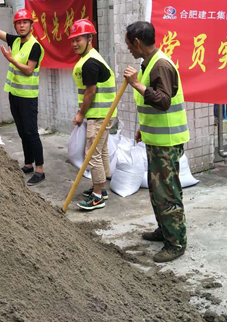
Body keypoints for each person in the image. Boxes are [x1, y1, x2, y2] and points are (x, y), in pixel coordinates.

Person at [123, 21, 189, 263]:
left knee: (167, 192)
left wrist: (137, 84)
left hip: (166, 142)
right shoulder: (149, 63)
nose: (128, 48)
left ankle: (176, 242)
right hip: (157, 139)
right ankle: (165, 229)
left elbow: (163, 101)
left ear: (137, 42)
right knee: (157, 190)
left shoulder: (160, 64)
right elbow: (153, 105)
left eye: (129, 44)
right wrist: (144, 128)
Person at [0, 9, 46, 186]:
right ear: (15, 25)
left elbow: (29, 70)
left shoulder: (35, 46)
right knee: (22, 132)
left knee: (31, 133)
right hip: (14, 94)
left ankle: (40, 170)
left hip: (28, 97)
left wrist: (11, 60)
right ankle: (28, 164)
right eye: (19, 23)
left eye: (25, 22)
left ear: (31, 25)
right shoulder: (14, 41)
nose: (22, 26)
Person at [68, 19, 117, 211]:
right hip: (103, 114)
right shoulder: (91, 58)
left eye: (78, 39)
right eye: (72, 40)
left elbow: (90, 92)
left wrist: (81, 114)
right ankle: (101, 188)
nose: (74, 44)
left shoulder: (90, 62)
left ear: (90, 39)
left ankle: (97, 197)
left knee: (92, 154)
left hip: (98, 115)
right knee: (101, 151)